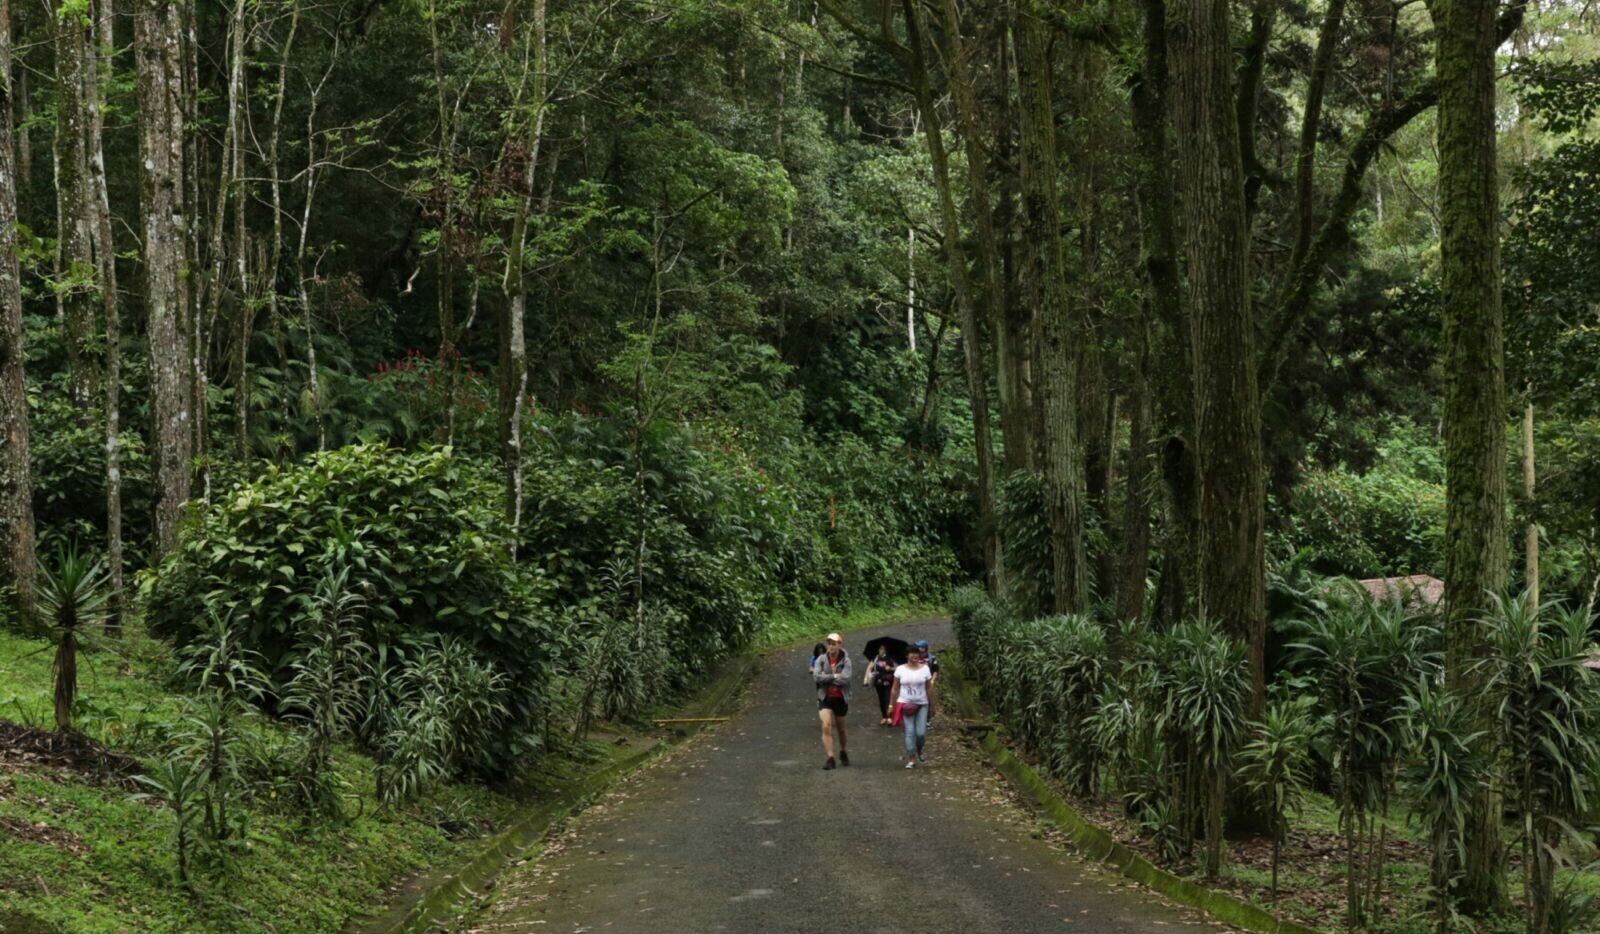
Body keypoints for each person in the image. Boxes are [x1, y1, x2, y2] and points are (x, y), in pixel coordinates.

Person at [888, 646, 935, 768]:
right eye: (912, 653)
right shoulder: (900, 669)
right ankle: (911, 758)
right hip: (905, 704)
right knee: (909, 732)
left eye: (916, 653)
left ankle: (919, 749)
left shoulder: (925, 669)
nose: (915, 655)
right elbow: (894, 688)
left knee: (920, 733)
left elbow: (929, 688)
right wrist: (891, 705)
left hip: (922, 704)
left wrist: (932, 705)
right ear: (907, 655)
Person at [813, 632, 852, 770]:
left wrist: (827, 677)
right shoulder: (821, 659)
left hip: (840, 697)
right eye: (829, 644)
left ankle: (843, 750)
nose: (830, 646)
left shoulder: (846, 661)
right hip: (825, 697)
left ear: (839, 645)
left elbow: (845, 679)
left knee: (841, 729)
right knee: (826, 726)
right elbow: (816, 677)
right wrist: (835, 676)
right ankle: (830, 758)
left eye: (833, 644)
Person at [863, 643, 897, 725]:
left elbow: (898, 668)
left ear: (886, 649)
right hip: (878, 681)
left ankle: (889, 717)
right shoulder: (875, 658)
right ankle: (884, 716)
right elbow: (869, 668)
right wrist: (866, 678)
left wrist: (890, 668)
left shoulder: (891, 658)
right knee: (881, 700)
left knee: (887, 699)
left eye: (882, 648)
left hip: (888, 682)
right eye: (880, 648)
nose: (881, 650)